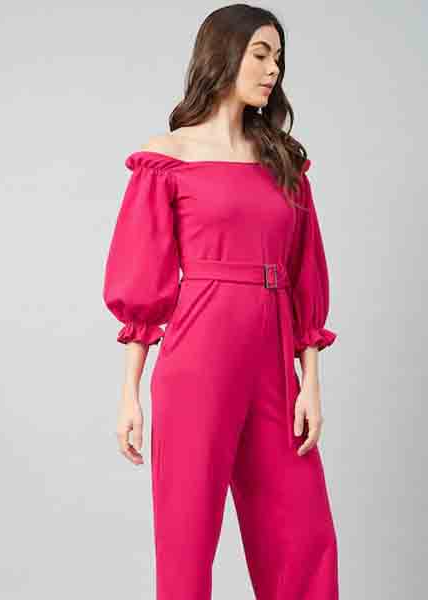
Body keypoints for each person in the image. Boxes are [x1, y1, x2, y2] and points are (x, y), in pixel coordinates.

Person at [102, 5, 339, 599]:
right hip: (198, 355)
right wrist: (130, 392)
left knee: (303, 536)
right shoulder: (169, 157)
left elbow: (305, 274)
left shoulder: (284, 160)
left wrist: (310, 382)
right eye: (260, 54)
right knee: (186, 535)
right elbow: (144, 279)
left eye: (278, 57)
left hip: (274, 360)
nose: (273, 69)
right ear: (223, 56)